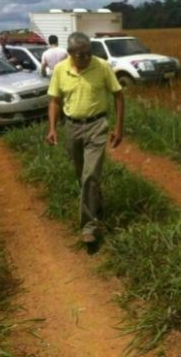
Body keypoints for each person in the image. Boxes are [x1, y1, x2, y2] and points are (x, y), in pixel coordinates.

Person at [46, 31, 124, 244]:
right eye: (80, 54)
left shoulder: (102, 66)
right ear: (70, 53)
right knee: (83, 176)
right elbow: (54, 101)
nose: (85, 57)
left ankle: (88, 226)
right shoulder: (61, 70)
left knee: (90, 175)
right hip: (72, 127)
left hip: (97, 126)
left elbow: (118, 95)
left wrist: (119, 127)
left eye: (88, 53)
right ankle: (97, 205)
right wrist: (52, 128)